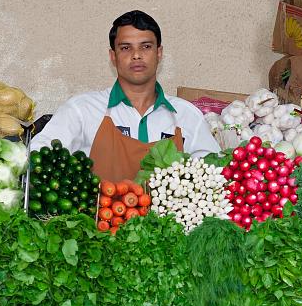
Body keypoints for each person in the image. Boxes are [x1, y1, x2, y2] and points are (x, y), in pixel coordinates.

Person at [30, 10, 220, 182]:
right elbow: (39, 153)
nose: (136, 55)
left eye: (146, 46)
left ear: (159, 53)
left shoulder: (187, 115)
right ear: (113, 56)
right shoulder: (82, 110)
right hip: (97, 219)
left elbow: (215, 173)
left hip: (169, 221)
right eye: (125, 48)